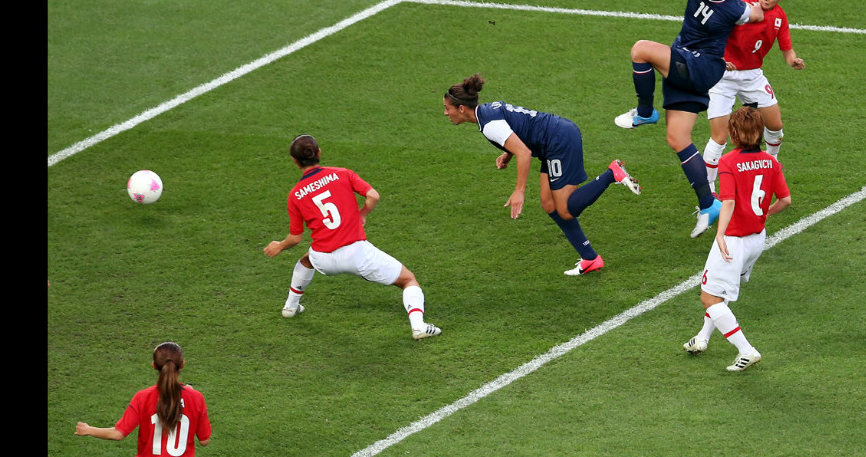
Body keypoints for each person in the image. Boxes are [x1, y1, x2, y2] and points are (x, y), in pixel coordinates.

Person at [613, 0, 764, 238]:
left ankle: (644, 112)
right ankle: (709, 204)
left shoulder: (735, 8)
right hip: (684, 66)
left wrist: (763, 6)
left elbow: (758, 15)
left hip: (702, 67)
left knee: (641, 49)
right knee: (678, 139)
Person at [443, 74, 642, 276]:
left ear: (461, 108)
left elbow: (525, 152)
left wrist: (519, 191)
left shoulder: (488, 125)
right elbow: (518, 127)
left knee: (565, 210)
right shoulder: (487, 111)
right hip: (553, 140)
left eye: (447, 108)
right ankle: (590, 258)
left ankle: (612, 173)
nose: (445, 113)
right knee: (549, 203)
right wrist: (508, 152)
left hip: (559, 142)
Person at [263, 134, 441, 340]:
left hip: (324, 259)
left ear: (294, 161)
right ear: (319, 153)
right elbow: (373, 196)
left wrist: (280, 245)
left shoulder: (295, 194)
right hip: (357, 253)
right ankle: (418, 327)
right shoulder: (342, 174)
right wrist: (361, 214)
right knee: (408, 280)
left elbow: (295, 238)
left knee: (306, 260)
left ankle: (290, 307)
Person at [681, 106, 791, 371]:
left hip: (732, 241)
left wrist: (719, 233)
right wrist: (763, 216)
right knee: (722, 290)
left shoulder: (728, 161)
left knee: (709, 298)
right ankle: (703, 338)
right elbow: (785, 200)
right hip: (757, 239)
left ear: (733, 132)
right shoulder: (771, 161)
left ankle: (746, 350)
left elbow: (728, 201)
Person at [703, 0, 805, 193]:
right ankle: (708, 190)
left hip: (752, 76)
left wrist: (793, 60)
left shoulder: (779, 18)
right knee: (719, 136)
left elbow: (786, 48)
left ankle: (771, 162)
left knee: (775, 127)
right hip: (722, 76)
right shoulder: (740, 6)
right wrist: (717, 56)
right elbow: (710, 31)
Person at [75, 342, 212, 456]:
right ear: (182, 364)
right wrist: (192, 396)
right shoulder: (196, 397)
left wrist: (88, 429)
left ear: (154, 365)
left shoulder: (143, 397)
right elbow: (204, 440)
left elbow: (118, 434)